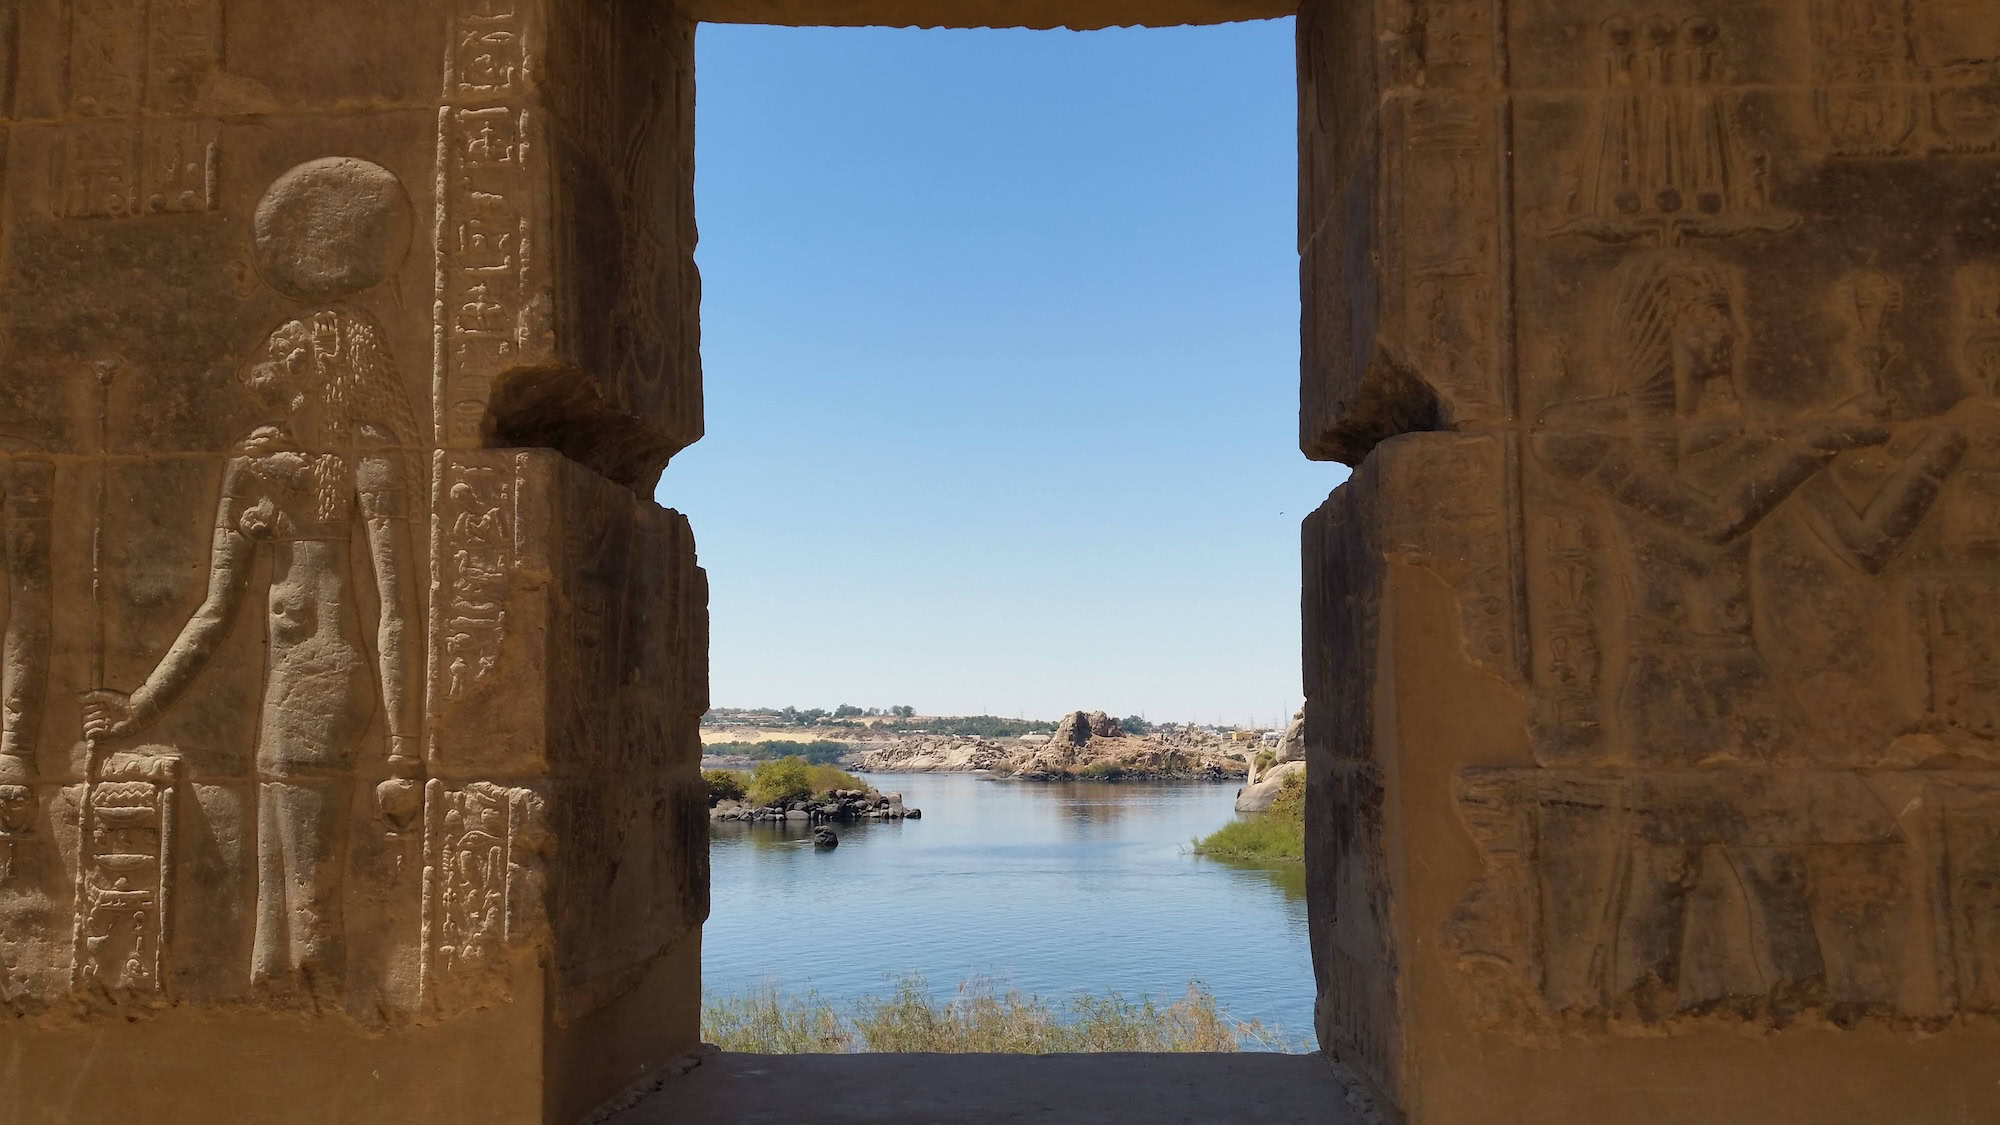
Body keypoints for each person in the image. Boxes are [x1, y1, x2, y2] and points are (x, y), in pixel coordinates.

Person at [80, 303, 422, 1002]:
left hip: (327, 682)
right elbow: (213, 611)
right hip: (283, 688)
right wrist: (137, 706)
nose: (270, 378)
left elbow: (395, 609)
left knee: (306, 916)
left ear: (316, 366)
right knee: (270, 934)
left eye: (289, 359)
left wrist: (404, 751)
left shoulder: (368, 456)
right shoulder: (254, 464)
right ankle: (309, 1053)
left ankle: (337, 1049)